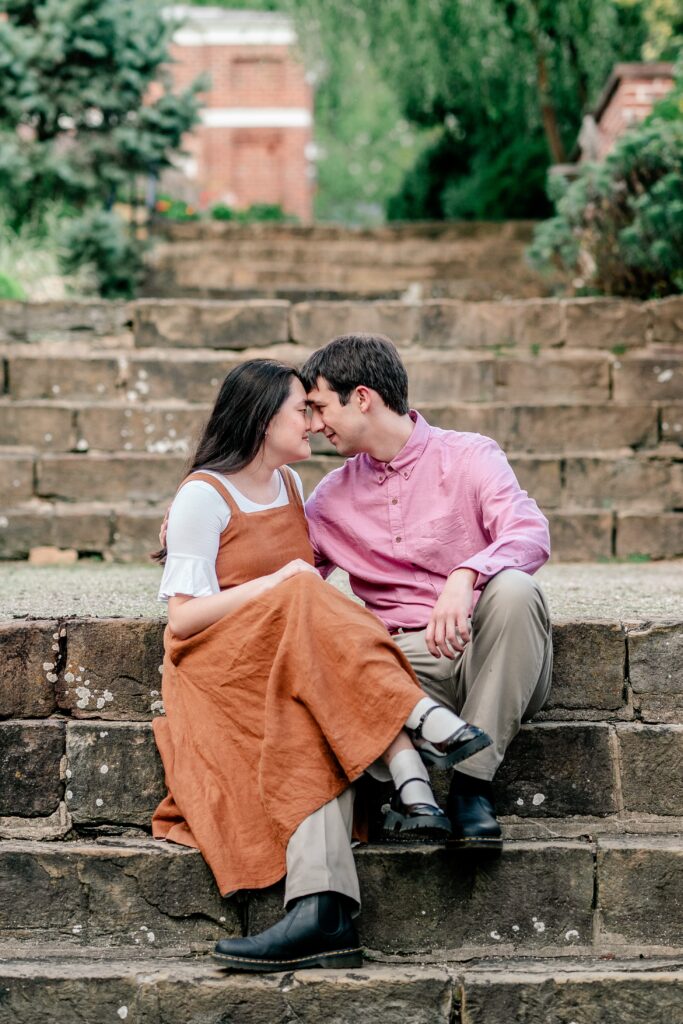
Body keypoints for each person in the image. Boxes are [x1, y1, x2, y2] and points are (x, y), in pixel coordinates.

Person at [151, 358, 491, 973]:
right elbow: (182, 620)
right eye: (301, 410)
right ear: (261, 420)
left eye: (314, 408)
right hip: (216, 666)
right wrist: (280, 583)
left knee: (316, 648)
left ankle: (325, 912)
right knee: (308, 590)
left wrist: (296, 586)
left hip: (280, 656)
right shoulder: (203, 495)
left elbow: (310, 598)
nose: (313, 421)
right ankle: (414, 735)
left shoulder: (290, 487)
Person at [299, 333, 554, 852]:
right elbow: (286, 578)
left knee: (516, 589)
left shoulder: (470, 456)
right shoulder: (329, 500)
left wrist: (466, 575)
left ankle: (471, 786)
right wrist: (205, 517)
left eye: (321, 406)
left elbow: (530, 533)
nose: (314, 424)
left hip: (497, 651)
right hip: (409, 669)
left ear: (363, 397)